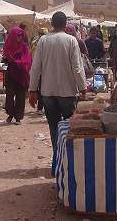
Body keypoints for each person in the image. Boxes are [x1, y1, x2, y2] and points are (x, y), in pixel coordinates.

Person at [29, 12, 87, 171]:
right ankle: (69, 164)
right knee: (69, 127)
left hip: (47, 92)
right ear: (65, 23)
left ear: (52, 24)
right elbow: (77, 67)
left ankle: (57, 163)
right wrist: (83, 89)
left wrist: (32, 90)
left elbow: (36, 68)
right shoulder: (71, 40)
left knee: (54, 128)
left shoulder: (43, 41)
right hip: (68, 92)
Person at [3, 27, 32, 125]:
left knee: (20, 96)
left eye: (21, 35)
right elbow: (5, 57)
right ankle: (10, 114)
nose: (19, 37)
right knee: (10, 95)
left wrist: (17, 62)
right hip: (11, 74)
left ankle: (18, 117)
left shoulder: (24, 47)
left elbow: (27, 60)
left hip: (21, 74)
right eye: (18, 35)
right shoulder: (8, 47)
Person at [29, 27, 49, 115]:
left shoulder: (49, 44)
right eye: (39, 33)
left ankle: (42, 107)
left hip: (46, 69)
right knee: (36, 88)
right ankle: (40, 107)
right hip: (36, 68)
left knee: (43, 88)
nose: (40, 35)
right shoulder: (34, 43)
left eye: (42, 34)